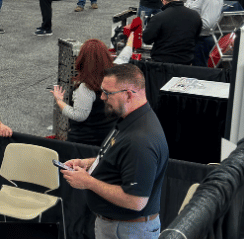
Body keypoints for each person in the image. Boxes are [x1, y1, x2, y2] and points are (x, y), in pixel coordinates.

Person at [60, 64, 168, 239]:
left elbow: (136, 201)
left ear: (128, 94)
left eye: (107, 93)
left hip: (127, 231)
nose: (102, 97)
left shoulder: (140, 141)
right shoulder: (131, 120)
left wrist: (88, 182)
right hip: (118, 227)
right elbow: (120, 159)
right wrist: (87, 163)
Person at [50, 39, 116, 146]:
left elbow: (79, 115)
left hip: (83, 144)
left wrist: (59, 101)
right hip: (107, 140)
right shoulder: (114, 79)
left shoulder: (86, 88)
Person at [143, 0, 202, 65]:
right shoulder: (195, 15)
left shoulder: (159, 18)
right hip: (186, 61)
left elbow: (147, 39)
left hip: (162, 63)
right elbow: (197, 36)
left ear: (163, 1)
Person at [185, 0, 224, 67]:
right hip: (193, 38)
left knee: (199, 72)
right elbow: (188, 6)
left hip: (202, 41)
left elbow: (207, 24)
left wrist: (184, 23)